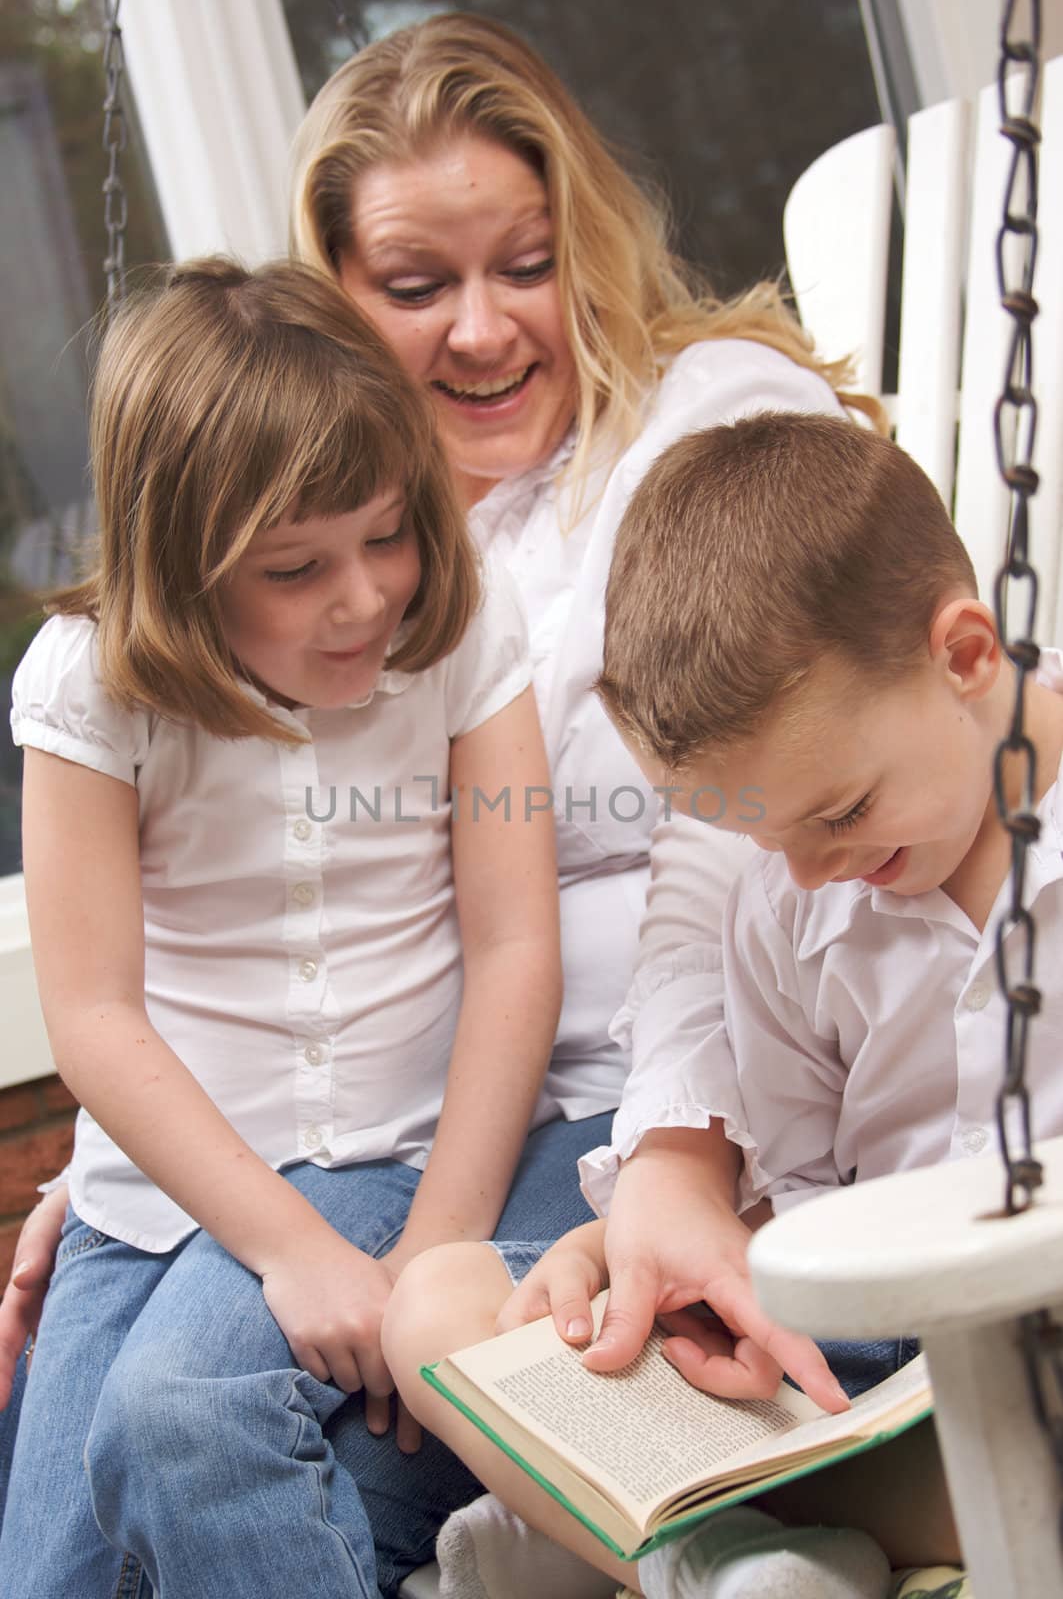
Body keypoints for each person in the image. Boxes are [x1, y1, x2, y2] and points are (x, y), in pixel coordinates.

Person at [0, 12, 879, 1591]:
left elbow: (739, 843)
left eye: (523, 266)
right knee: (92, 1506)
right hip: (395, 1140)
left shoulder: (701, 443)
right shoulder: (342, 527)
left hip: (630, 1111)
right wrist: (129, 1175)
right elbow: (187, 951)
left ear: (584, 245)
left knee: (192, 1435)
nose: (478, 333)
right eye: (413, 290)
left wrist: (651, 1162)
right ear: (330, 304)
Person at [383, 412, 1063, 1597]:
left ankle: (652, 1540)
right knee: (437, 1304)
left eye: (840, 811)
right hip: (864, 1367)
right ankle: (725, 1555)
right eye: (768, 837)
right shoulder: (795, 898)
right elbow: (793, 1196)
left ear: (964, 657)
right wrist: (650, 1265)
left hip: (1034, 1348)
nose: (806, 872)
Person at [0, 255, 567, 1599]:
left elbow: (512, 947)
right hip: (161, 1195)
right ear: (184, 571)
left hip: (388, 1141)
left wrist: (433, 1244)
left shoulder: (461, 631)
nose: (364, 597)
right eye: (294, 568)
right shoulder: (89, 686)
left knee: (183, 1415)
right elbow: (91, 1013)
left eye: (385, 535)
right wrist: (290, 1252)